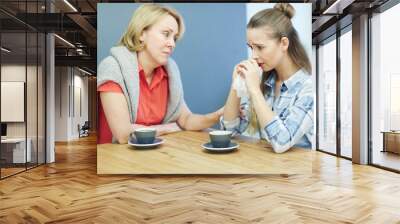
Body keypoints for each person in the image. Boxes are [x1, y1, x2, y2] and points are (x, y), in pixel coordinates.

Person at [97, 4, 222, 144]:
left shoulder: (169, 73)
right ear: (141, 34)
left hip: (152, 155)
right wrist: (166, 128)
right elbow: (123, 134)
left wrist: (217, 116)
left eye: (174, 38)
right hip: (115, 159)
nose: (172, 44)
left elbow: (186, 119)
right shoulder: (112, 68)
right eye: (166, 34)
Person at [221, 3, 313, 153]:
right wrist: (235, 85)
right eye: (251, 48)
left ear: (284, 43)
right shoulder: (265, 81)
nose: (254, 56)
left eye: (260, 47)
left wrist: (254, 90)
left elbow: (281, 142)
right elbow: (229, 130)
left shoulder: (308, 87)